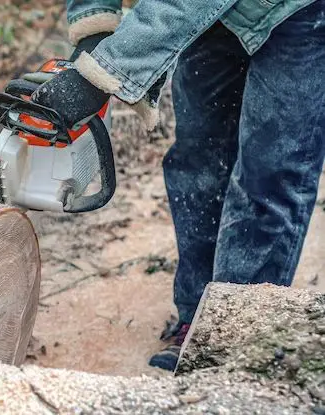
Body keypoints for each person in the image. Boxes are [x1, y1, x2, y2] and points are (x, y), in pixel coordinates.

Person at [27, 0, 325, 371]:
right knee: (199, 159)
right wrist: (94, 28)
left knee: (270, 174)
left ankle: (234, 337)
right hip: (215, 16)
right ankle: (197, 313)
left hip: (300, 13)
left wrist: (104, 71)